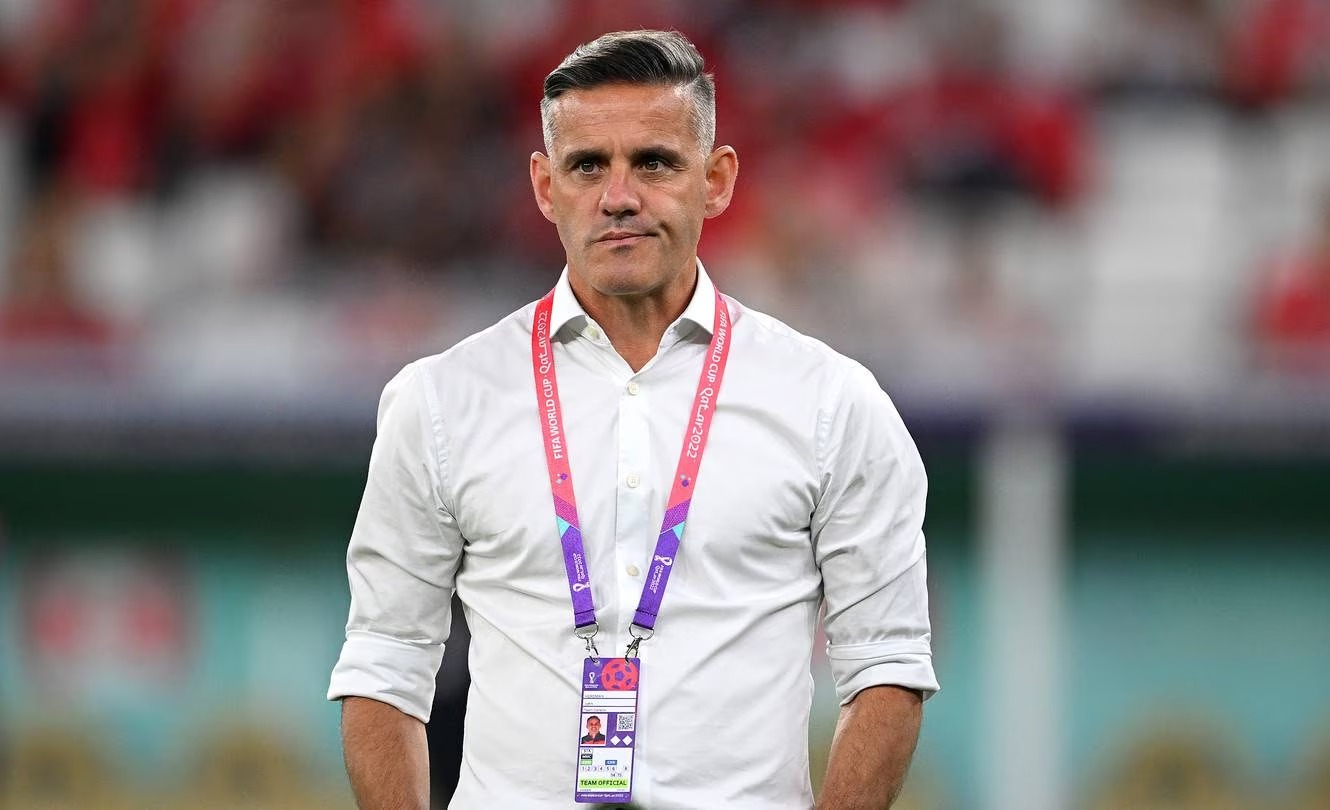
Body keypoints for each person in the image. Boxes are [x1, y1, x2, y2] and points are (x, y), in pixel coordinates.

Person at [328, 29, 938, 809]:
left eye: (654, 162)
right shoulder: (441, 401)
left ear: (715, 181)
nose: (619, 195)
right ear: (546, 187)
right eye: (588, 166)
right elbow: (384, 664)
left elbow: (887, 665)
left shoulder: (831, 402)